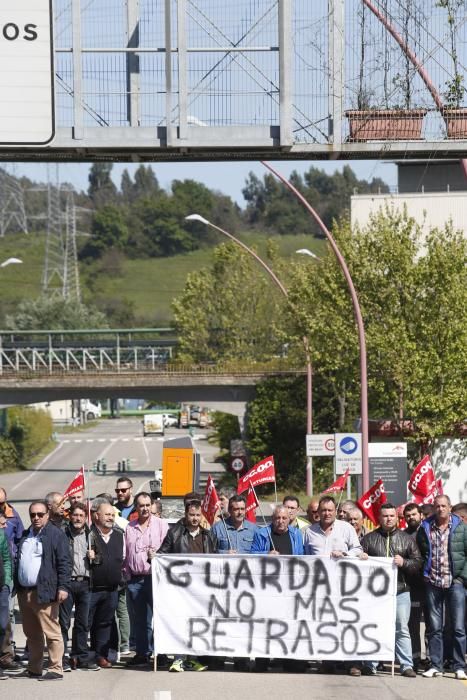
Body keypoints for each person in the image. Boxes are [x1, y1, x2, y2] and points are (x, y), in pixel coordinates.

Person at [303, 496, 363, 676]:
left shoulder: (346, 529)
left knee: (348, 623)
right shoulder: (308, 532)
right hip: (319, 588)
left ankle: (353, 663)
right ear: (318, 513)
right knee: (326, 624)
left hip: (344, 587)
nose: (327, 513)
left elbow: (358, 549)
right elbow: (302, 557)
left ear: (335, 511)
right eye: (323, 510)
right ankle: (328, 661)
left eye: (330, 510)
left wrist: (345, 553)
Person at [361, 502, 422, 678]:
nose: (388, 519)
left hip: (401, 591)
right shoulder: (369, 539)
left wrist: (405, 563)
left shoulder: (407, 539)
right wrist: (361, 557)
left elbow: (418, 563)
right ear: (379, 518)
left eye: (391, 515)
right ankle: (370, 664)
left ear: (397, 518)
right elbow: (356, 560)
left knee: (402, 628)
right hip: (375, 593)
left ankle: (406, 665)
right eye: (385, 516)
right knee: (374, 627)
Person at [157, 499, 216, 672]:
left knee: (196, 625)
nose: (195, 518)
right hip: (180, 589)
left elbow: (213, 559)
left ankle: (192, 658)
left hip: (201, 590)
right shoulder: (174, 533)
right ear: (186, 514)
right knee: (180, 623)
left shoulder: (208, 535)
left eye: (198, 515)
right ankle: (178, 658)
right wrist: (154, 557)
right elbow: (162, 554)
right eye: (192, 515)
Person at [15, 499, 71, 681]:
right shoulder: (26, 535)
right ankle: (34, 668)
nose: (36, 518)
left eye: (40, 514)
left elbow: (64, 562)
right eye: (33, 515)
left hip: (45, 591)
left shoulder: (56, 535)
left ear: (47, 514)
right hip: (25, 592)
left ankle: (56, 668)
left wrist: (63, 587)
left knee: (52, 632)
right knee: (32, 634)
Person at [417, 494, 467, 680]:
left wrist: (461, 578)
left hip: (455, 583)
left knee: (458, 627)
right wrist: (425, 573)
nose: (440, 509)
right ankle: (436, 665)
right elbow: (422, 553)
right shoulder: (426, 527)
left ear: (450, 507)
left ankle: (459, 666)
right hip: (433, 583)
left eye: (443, 506)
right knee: (434, 628)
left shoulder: (461, 528)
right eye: (437, 506)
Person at [123, 492, 168, 667]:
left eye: (148, 505)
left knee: (159, 617)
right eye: (141, 505)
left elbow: (168, 550)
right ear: (136, 506)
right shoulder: (130, 527)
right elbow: (126, 553)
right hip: (135, 579)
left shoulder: (161, 525)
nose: (145, 508)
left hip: (155, 578)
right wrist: (126, 574)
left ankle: (160, 653)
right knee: (140, 620)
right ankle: (142, 653)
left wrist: (157, 555)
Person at [60, 502, 99, 671]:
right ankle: (61, 657)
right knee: (64, 623)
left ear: (85, 518)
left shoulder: (91, 535)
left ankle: (80, 656)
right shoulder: (63, 534)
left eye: (81, 516)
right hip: (68, 583)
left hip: (85, 584)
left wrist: (95, 556)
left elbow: (100, 559)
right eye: (75, 515)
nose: (77, 518)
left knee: (83, 623)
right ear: (70, 516)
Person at [88, 500, 124, 669]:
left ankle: (101, 655)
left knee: (105, 622)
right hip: (91, 588)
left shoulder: (119, 535)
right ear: (96, 516)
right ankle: (81, 654)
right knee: (86, 622)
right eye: (107, 514)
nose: (110, 517)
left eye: (112, 514)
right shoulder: (89, 535)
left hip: (112, 589)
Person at [0, 490, 23, 675]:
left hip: (4, 581)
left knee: (5, 618)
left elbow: (12, 551)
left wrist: (8, 581)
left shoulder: (13, 516)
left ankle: (6, 655)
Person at [403, 502, 428, 671]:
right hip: (413, 586)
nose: (411, 518)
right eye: (408, 515)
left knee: (434, 625)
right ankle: (415, 658)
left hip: (432, 584)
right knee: (413, 624)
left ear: (421, 515)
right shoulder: (403, 535)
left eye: (414, 514)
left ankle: (434, 659)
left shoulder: (429, 532)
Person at [0, 525, 12, 681]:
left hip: (1, 587)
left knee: (2, 626)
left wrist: (7, 583)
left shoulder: (1, 535)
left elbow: (7, 559)